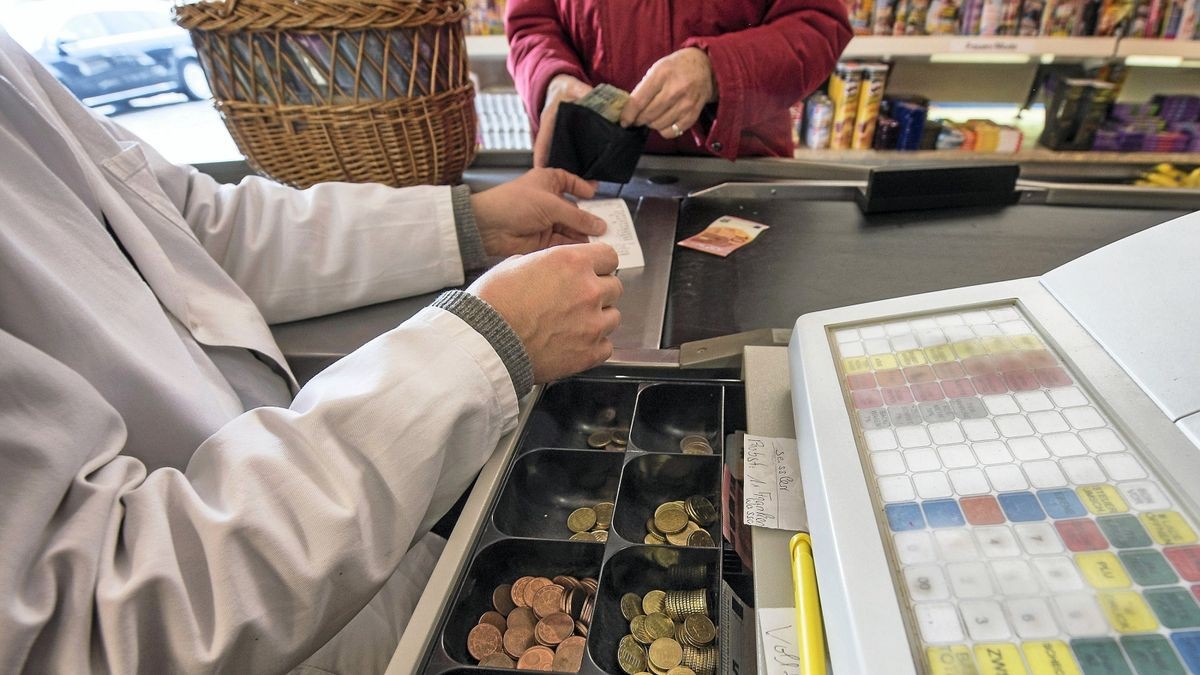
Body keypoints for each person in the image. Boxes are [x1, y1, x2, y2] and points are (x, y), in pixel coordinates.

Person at [0, 30, 621, 674]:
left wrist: (468, 222)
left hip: (326, 562)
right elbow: (96, 625)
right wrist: (486, 346)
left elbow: (190, 222)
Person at [507, 0, 853, 167]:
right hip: (594, 168)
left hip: (743, 169)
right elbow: (532, 24)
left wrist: (717, 71)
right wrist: (552, 79)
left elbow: (818, 26)